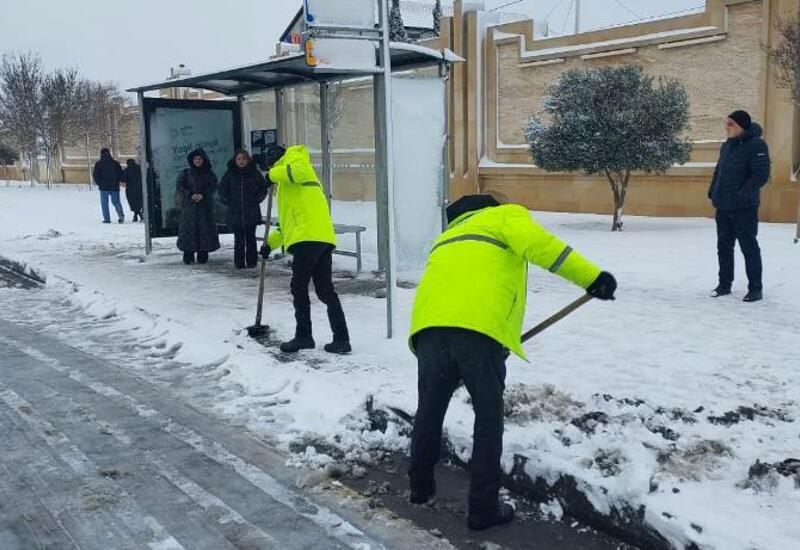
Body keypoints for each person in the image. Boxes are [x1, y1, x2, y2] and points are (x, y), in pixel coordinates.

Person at [407, 193, 617, 531]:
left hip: (429, 332)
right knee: (488, 420)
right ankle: (482, 508)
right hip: (479, 332)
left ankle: (419, 488)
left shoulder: (445, 239)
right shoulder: (504, 218)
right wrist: (593, 278)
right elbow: (544, 247)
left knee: (429, 411)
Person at [259, 144, 351, 355]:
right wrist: (269, 246)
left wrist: (272, 174)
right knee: (325, 291)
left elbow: (298, 171)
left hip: (308, 238)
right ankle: (341, 339)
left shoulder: (296, 159)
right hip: (320, 237)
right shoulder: (288, 184)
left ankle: (304, 336)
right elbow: (287, 225)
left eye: (271, 163)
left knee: (298, 287)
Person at [708, 110, 771, 302]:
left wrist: (742, 195)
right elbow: (719, 170)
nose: (726, 127)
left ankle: (755, 289)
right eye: (726, 123)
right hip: (723, 206)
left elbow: (761, 174)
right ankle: (724, 285)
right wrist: (713, 191)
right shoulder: (727, 146)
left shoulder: (756, 145)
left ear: (742, 126)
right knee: (724, 247)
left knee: (749, 247)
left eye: (731, 124)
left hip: (744, 208)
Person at [218, 149, 268, 268]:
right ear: (235, 161)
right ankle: (239, 263)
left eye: (244, 159)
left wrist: (256, 199)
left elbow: (263, 188)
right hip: (235, 212)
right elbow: (222, 190)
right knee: (238, 239)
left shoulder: (254, 173)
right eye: (239, 159)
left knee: (251, 238)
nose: (241, 161)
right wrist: (228, 201)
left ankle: (252, 261)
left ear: (248, 160)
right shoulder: (230, 174)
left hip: (251, 211)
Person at [176, 149, 220, 265]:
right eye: (195, 159)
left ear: (203, 160)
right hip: (189, 208)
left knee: (204, 231)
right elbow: (180, 186)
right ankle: (188, 254)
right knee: (188, 231)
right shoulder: (186, 173)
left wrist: (203, 195)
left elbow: (214, 185)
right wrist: (190, 194)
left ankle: (203, 254)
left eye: (199, 159)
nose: (197, 161)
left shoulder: (209, 173)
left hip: (204, 208)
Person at [92, 148, 125, 224]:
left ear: (101, 154)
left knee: (104, 204)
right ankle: (121, 215)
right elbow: (120, 174)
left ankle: (107, 219)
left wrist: (99, 183)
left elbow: (95, 175)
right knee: (116, 202)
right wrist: (118, 181)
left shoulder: (98, 164)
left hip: (104, 187)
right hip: (114, 187)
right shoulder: (115, 163)